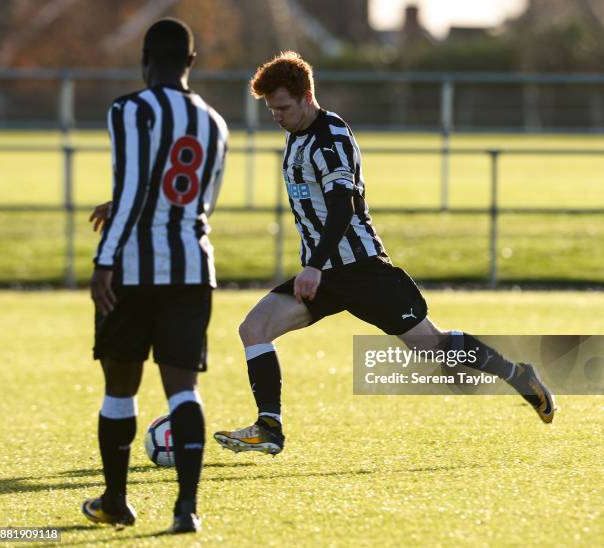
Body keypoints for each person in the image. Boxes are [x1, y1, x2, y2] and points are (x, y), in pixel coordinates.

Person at [213, 51, 555, 456]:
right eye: (271, 109)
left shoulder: (331, 136)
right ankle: (269, 427)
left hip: (360, 270)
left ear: (307, 97)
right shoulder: (296, 136)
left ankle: (517, 375)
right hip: (325, 273)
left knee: (432, 347)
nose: (277, 116)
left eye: (283, 107)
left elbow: (343, 207)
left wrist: (313, 265)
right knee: (254, 329)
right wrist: (318, 266)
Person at [82, 18, 228, 534]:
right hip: (192, 265)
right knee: (183, 391)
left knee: (120, 389)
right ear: (191, 62)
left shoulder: (129, 109)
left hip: (135, 269)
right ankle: (186, 508)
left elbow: (138, 187)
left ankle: (116, 501)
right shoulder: (215, 122)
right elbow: (199, 202)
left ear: (145, 60)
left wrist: (105, 259)